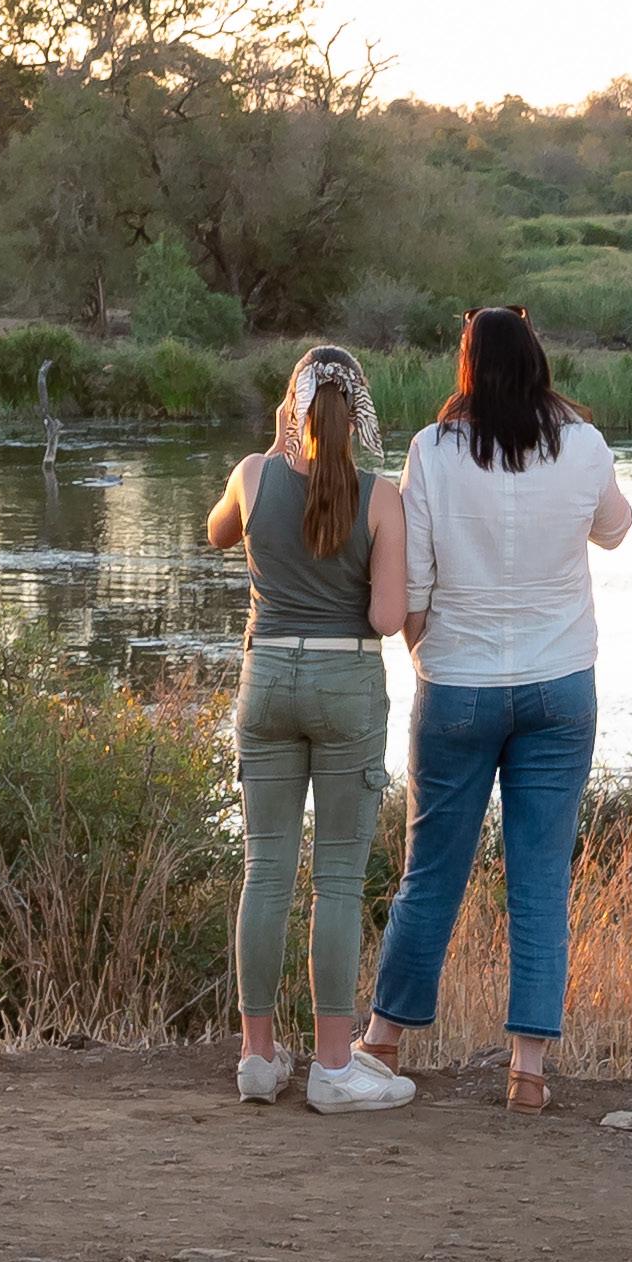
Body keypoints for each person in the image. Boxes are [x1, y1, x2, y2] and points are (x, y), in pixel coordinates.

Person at [357, 307, 632, 1113]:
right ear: (537, 359)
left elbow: (411, 581)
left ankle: (380, 1041)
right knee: (540, 878)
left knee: (430, 870)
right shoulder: (582, 443)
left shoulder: (432, 449)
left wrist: (425, 654)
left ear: (467, 366)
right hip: (560, 682)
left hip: (457, 682)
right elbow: (616, 531)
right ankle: (527, 1072)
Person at [205, 344, 414, 1113]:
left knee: (265, 870)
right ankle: (332, 1066)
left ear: (292, 408)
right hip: (344, 683)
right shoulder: (380, 496)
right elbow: (386, 617)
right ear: (357, 414)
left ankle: (257, 1057)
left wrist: (274, 445)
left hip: (265, 678)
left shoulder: (252, 474)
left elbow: (217, 532)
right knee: (336, 880)